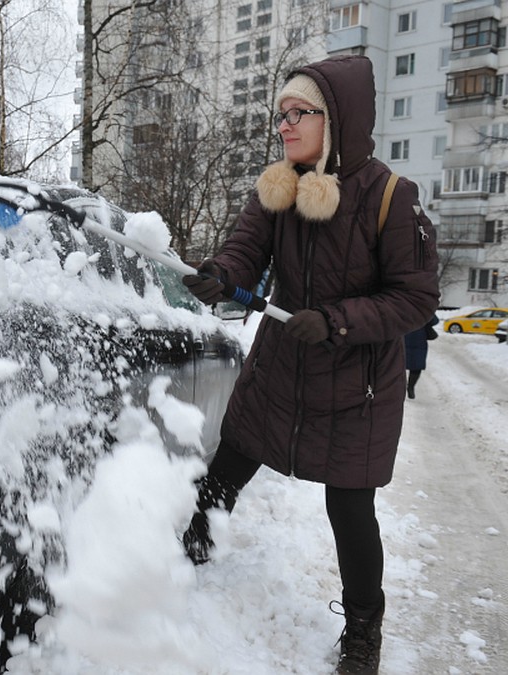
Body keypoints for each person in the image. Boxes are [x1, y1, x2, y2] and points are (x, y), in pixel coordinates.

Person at [179, 55, 439, 675]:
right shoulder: (281, 187)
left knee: (350, 512)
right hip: (279, 371)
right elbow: (245, 247)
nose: (285, 126)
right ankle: (186, 556)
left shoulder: (390, 198)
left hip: (357, 392)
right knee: (228, 464)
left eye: (300, 114)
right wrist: (221, 274)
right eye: (281, 115)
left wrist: (338, 321)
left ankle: (362, 634)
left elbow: (416, 298)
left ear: (337, 120)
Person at [403, 315, 439, 399]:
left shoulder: (401, 303)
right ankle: (410, 387)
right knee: (416, 366)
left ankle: (404, 387)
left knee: (399, 366)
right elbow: (435, 321)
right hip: (419, 339)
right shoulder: (422, 306)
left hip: (404, 338)